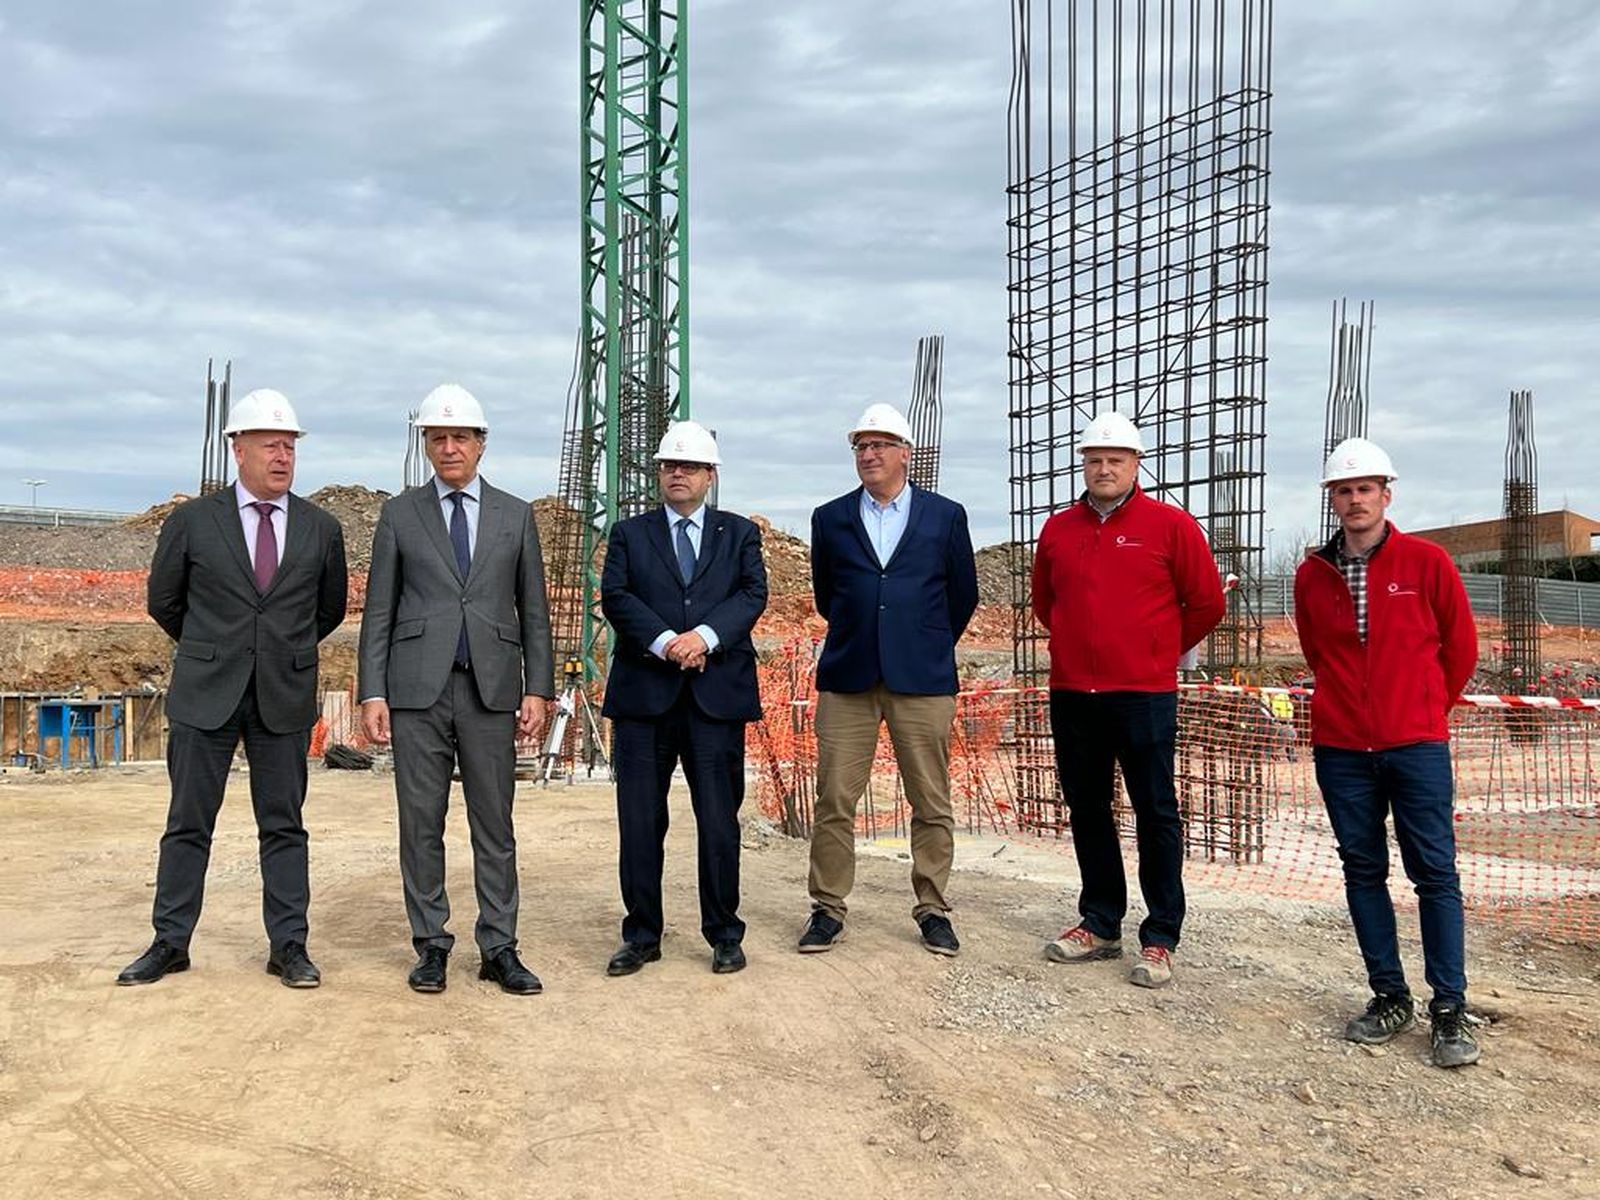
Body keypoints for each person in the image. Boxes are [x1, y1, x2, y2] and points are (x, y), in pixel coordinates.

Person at [119, 389, 348, 988]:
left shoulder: (321, 529)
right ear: (238, 449)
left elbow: (328, 610)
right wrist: (212, 647)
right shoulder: (193, 522)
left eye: (290, 446)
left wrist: (278, 649)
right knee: (188, 823)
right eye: (271, 445)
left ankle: (289, 947)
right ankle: (170, 942)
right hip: (206, 693)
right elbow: (164, 601)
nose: (282, 456)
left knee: (284, 825)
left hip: (283, 695)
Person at [358, 385, 554, 996]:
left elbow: (534, 611)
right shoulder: (400, 515)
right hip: (416, 692)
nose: (449, 448)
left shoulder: (515, 515)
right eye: (438, 438)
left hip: (490, 692)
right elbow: (379, 611)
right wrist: (371, 692)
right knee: (421, 822)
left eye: (460, 437)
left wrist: (538, 689)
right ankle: (431, 945)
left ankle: (499, 946)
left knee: (494, 824)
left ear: (481, 444)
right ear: (425, 445)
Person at [1294, 436, 1480, 1068]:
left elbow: (1460, 648)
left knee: (1435, 874)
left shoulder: (1427, 562)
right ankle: (1389, 996)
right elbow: (1319, 652)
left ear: (1385, 494)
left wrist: (1424, 708)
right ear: (1333, 499)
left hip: (1415, 744)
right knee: (1363, 870)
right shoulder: (1312, 575)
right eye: (1343, 490)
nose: (1355, 500)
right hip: (1342, 747)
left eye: (1365, 488)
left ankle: (1449, 1007)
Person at [1033, 411, 1225, 988]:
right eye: (1094, 459)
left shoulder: (1171, 526)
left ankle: (1161, 934)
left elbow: (1206, 602)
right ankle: (1100, 921)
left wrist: (1156, 649)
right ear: (1083, 465)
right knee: (1088, 808)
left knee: (1155, 811)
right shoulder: (1058, 530)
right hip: (1074, 693)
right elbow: (1046, 604)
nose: (1104, 468)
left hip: (1143, 694)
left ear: (1136, 464)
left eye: (1115, 459)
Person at [799, 403, 979, 956]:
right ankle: (828, 908)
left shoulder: (945, 516)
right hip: (848, 676)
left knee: (931, 799)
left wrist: (921, 641)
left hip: (921, 679)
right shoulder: (830, 518)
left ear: (905, 453)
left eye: (880, 445)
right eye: (861, 446)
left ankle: (932, 908)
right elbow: (828, 595)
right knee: (834, 798)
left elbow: (962, 595)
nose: (869, 454)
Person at [599, 421, 768, 976]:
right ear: (659, 473)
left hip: (715, 699)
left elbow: (752, 595)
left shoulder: (739, 534)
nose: (678, 473)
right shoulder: (630, 534)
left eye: (690, 466)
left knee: (718, 822)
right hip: (644, 700)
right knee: (640, 823)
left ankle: (724, 932)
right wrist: (668, 642)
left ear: (709, 475)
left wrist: (705, 638)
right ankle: (641, 935)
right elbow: (616, 596)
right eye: (670, 465)